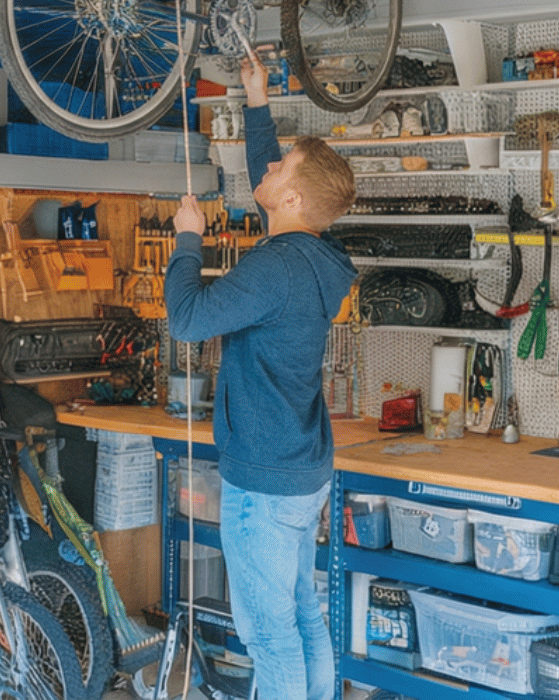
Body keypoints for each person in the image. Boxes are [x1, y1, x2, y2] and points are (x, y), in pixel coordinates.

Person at [164, 54, 358, 700]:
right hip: (300, 474)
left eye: (281, 167)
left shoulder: (276, 267)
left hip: (265, 485)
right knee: (303, 620)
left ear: (295, 198)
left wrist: (187, 240)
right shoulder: (312, 259)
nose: (267, 170)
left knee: (270, 637)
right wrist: (255, 101)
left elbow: (188, 318)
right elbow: (266, 184)